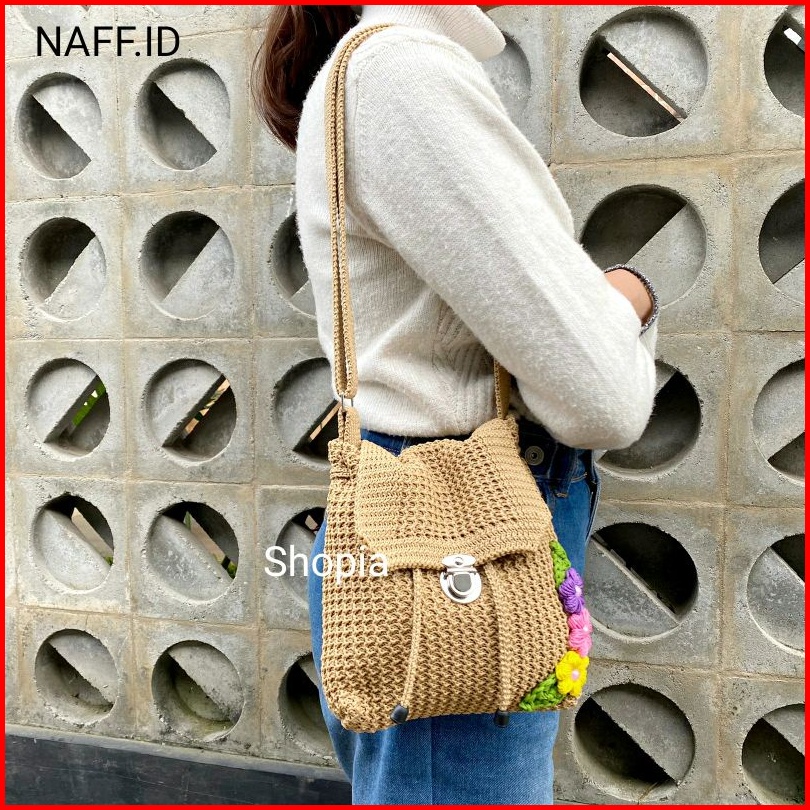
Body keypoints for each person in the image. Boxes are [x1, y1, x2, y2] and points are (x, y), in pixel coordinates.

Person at [251, 5, 659, 804]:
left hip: (428, 540)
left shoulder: (383, 69)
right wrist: (628, 295)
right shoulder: (400, 73)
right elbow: (602, 399)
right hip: (450, 560)